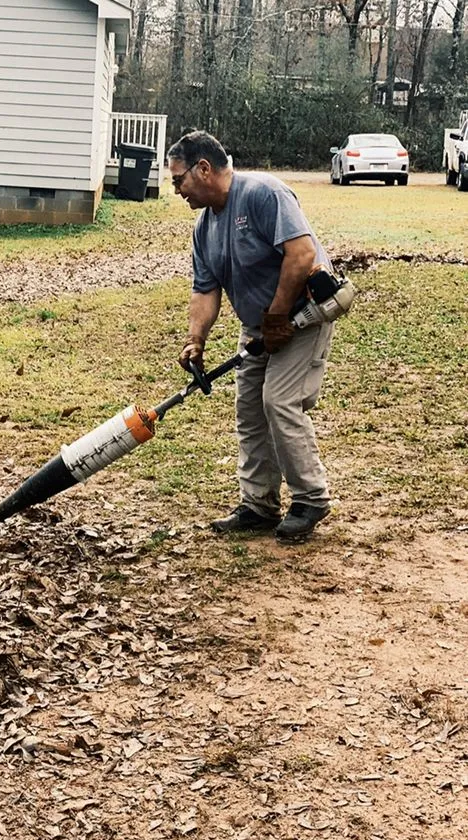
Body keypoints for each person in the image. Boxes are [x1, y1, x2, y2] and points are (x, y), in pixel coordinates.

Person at [168, 130, 334, 542]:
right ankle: (259, 505)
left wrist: (278, 317)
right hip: (260, 325)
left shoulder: (263, 193)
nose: (177, 191)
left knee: (279, 401)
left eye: (178, 180)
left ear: (203, 168)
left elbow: (302, 254)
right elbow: (205, 288)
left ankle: (311, 498)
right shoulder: (204, 227)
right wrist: (196, 338)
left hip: (302, 315)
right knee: (249, 410)